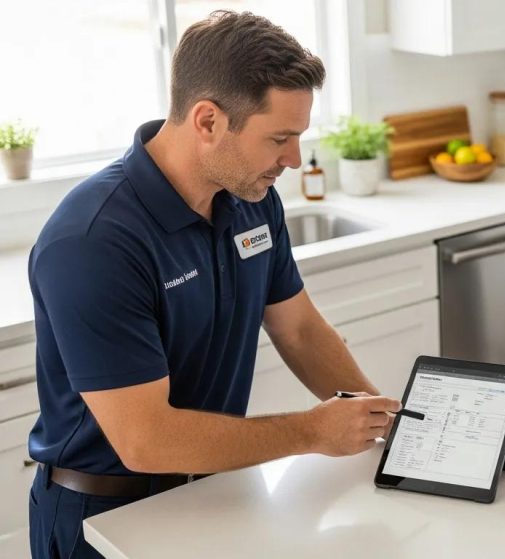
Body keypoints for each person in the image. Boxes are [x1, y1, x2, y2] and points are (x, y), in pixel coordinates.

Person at [27, 11, 400, 558]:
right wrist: (312, 432)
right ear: (207, 122)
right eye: (280, 138)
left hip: (215, 490)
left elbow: (298, 329)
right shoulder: (93, 242)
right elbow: (145, 440)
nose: (294, 160)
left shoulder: (252, 199)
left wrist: (384, 423)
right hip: (104, 518)